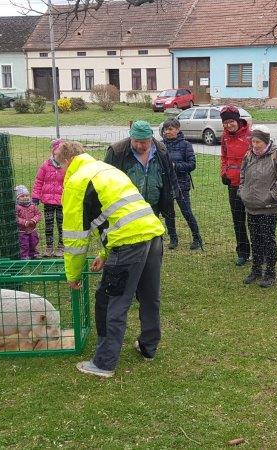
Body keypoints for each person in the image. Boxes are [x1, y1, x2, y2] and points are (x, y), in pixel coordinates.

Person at [60, 141, 165, 379]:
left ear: (67, 162)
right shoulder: (106, 169)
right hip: (153, 234)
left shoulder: (77, 182)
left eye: (59, 165)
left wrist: (73, 274)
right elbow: (119, 213)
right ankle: (149, 347)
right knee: (149, 296)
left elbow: (75, 238)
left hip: (128, 244)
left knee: (110, 301)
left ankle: (104, 363)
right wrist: (104, 254)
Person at [105, 121, 179, 242]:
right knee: (131, 240)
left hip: (152, 206)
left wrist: (173, 194)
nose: (139, 146)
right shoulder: (117, 151)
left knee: (151, 238)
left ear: (150, 139)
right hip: (126, 207)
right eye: (136, 141)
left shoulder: (161, 150)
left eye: (143, 142)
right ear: (131, 138)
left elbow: (170, 175)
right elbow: (106, 179)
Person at [238, 125, 277, 288]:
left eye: (258, 141)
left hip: (269, 207)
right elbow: (242, 175)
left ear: (266, 141)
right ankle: (256, 270)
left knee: (268, 239)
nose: (254, 144)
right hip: (251, 205)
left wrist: (271, 197)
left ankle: (270, 273)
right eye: (253, 141)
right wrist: (242, 192)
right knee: (255, 239)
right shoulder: (248, 155)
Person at [161, 118, 203, 250]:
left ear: (178, 130)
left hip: (181, 184)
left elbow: (192, 165)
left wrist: (175, 166)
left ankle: (197, 238)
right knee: (168, 213)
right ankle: (173, 238)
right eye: (165, 129)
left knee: (186, 212)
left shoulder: (186, 145)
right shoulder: (160, 145)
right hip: (166, 184)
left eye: (170, 129)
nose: (167, 132)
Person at [219, 105, 252, 266]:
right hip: (233, 183)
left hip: (251, 184)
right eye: (225, 122)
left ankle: (259, 252)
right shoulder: (224, 137)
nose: (228, 125)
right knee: (238, 220)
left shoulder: (251, 136)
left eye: (231, 121)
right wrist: (224, 173)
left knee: (254, 220)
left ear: (238, 120)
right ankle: (243, 252)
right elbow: (224, 156)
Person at [32, 138, 65, 257]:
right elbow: (39, 181)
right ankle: (49, 247)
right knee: (49, 225)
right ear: (53, 153)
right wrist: (35, 196)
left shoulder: (67, 166)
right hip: (48, 202)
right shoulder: (46, 165)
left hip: (62, 202)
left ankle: (62, 246)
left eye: (61, 154)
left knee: (62, 225)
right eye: (56, 153)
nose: (58, 156)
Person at [15, 185, 41, 260]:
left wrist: (34, 220)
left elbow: (38, 214)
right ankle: (24, 255)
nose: (25, 197)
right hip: (22, 230)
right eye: (22, 196)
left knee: (34, 242)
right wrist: (24, 222)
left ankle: (34, 254)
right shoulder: (17, 207)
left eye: (27, 195)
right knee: (24, 244)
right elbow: (16, 218)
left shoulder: (32, 206)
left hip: (32, 229)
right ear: (17, 198)